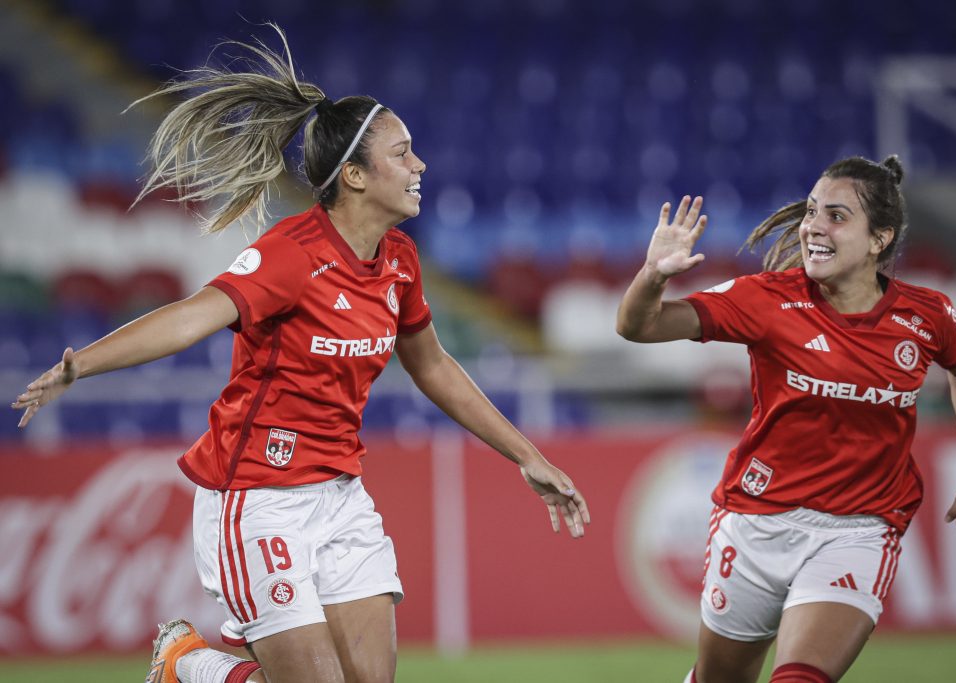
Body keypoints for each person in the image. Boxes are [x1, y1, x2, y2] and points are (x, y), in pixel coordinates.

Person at [12, 24, 589, 683]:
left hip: (339, 495)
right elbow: (193, 316)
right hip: (256, 495)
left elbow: (431, 365)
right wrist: (79, 363)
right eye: (402, 154)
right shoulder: (293, 255)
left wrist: (527, 455)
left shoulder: (399, 260)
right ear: (354, 176)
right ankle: (184, 665)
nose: (420, 165)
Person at [616, 156, 956, 683]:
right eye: (813, 211)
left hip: (860, 529)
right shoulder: (767, 300)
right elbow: (640, 326)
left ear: (879, 238)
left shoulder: (926, 316)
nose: (814, 225)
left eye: (836, 216)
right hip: (755, 523)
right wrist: (653, 275)